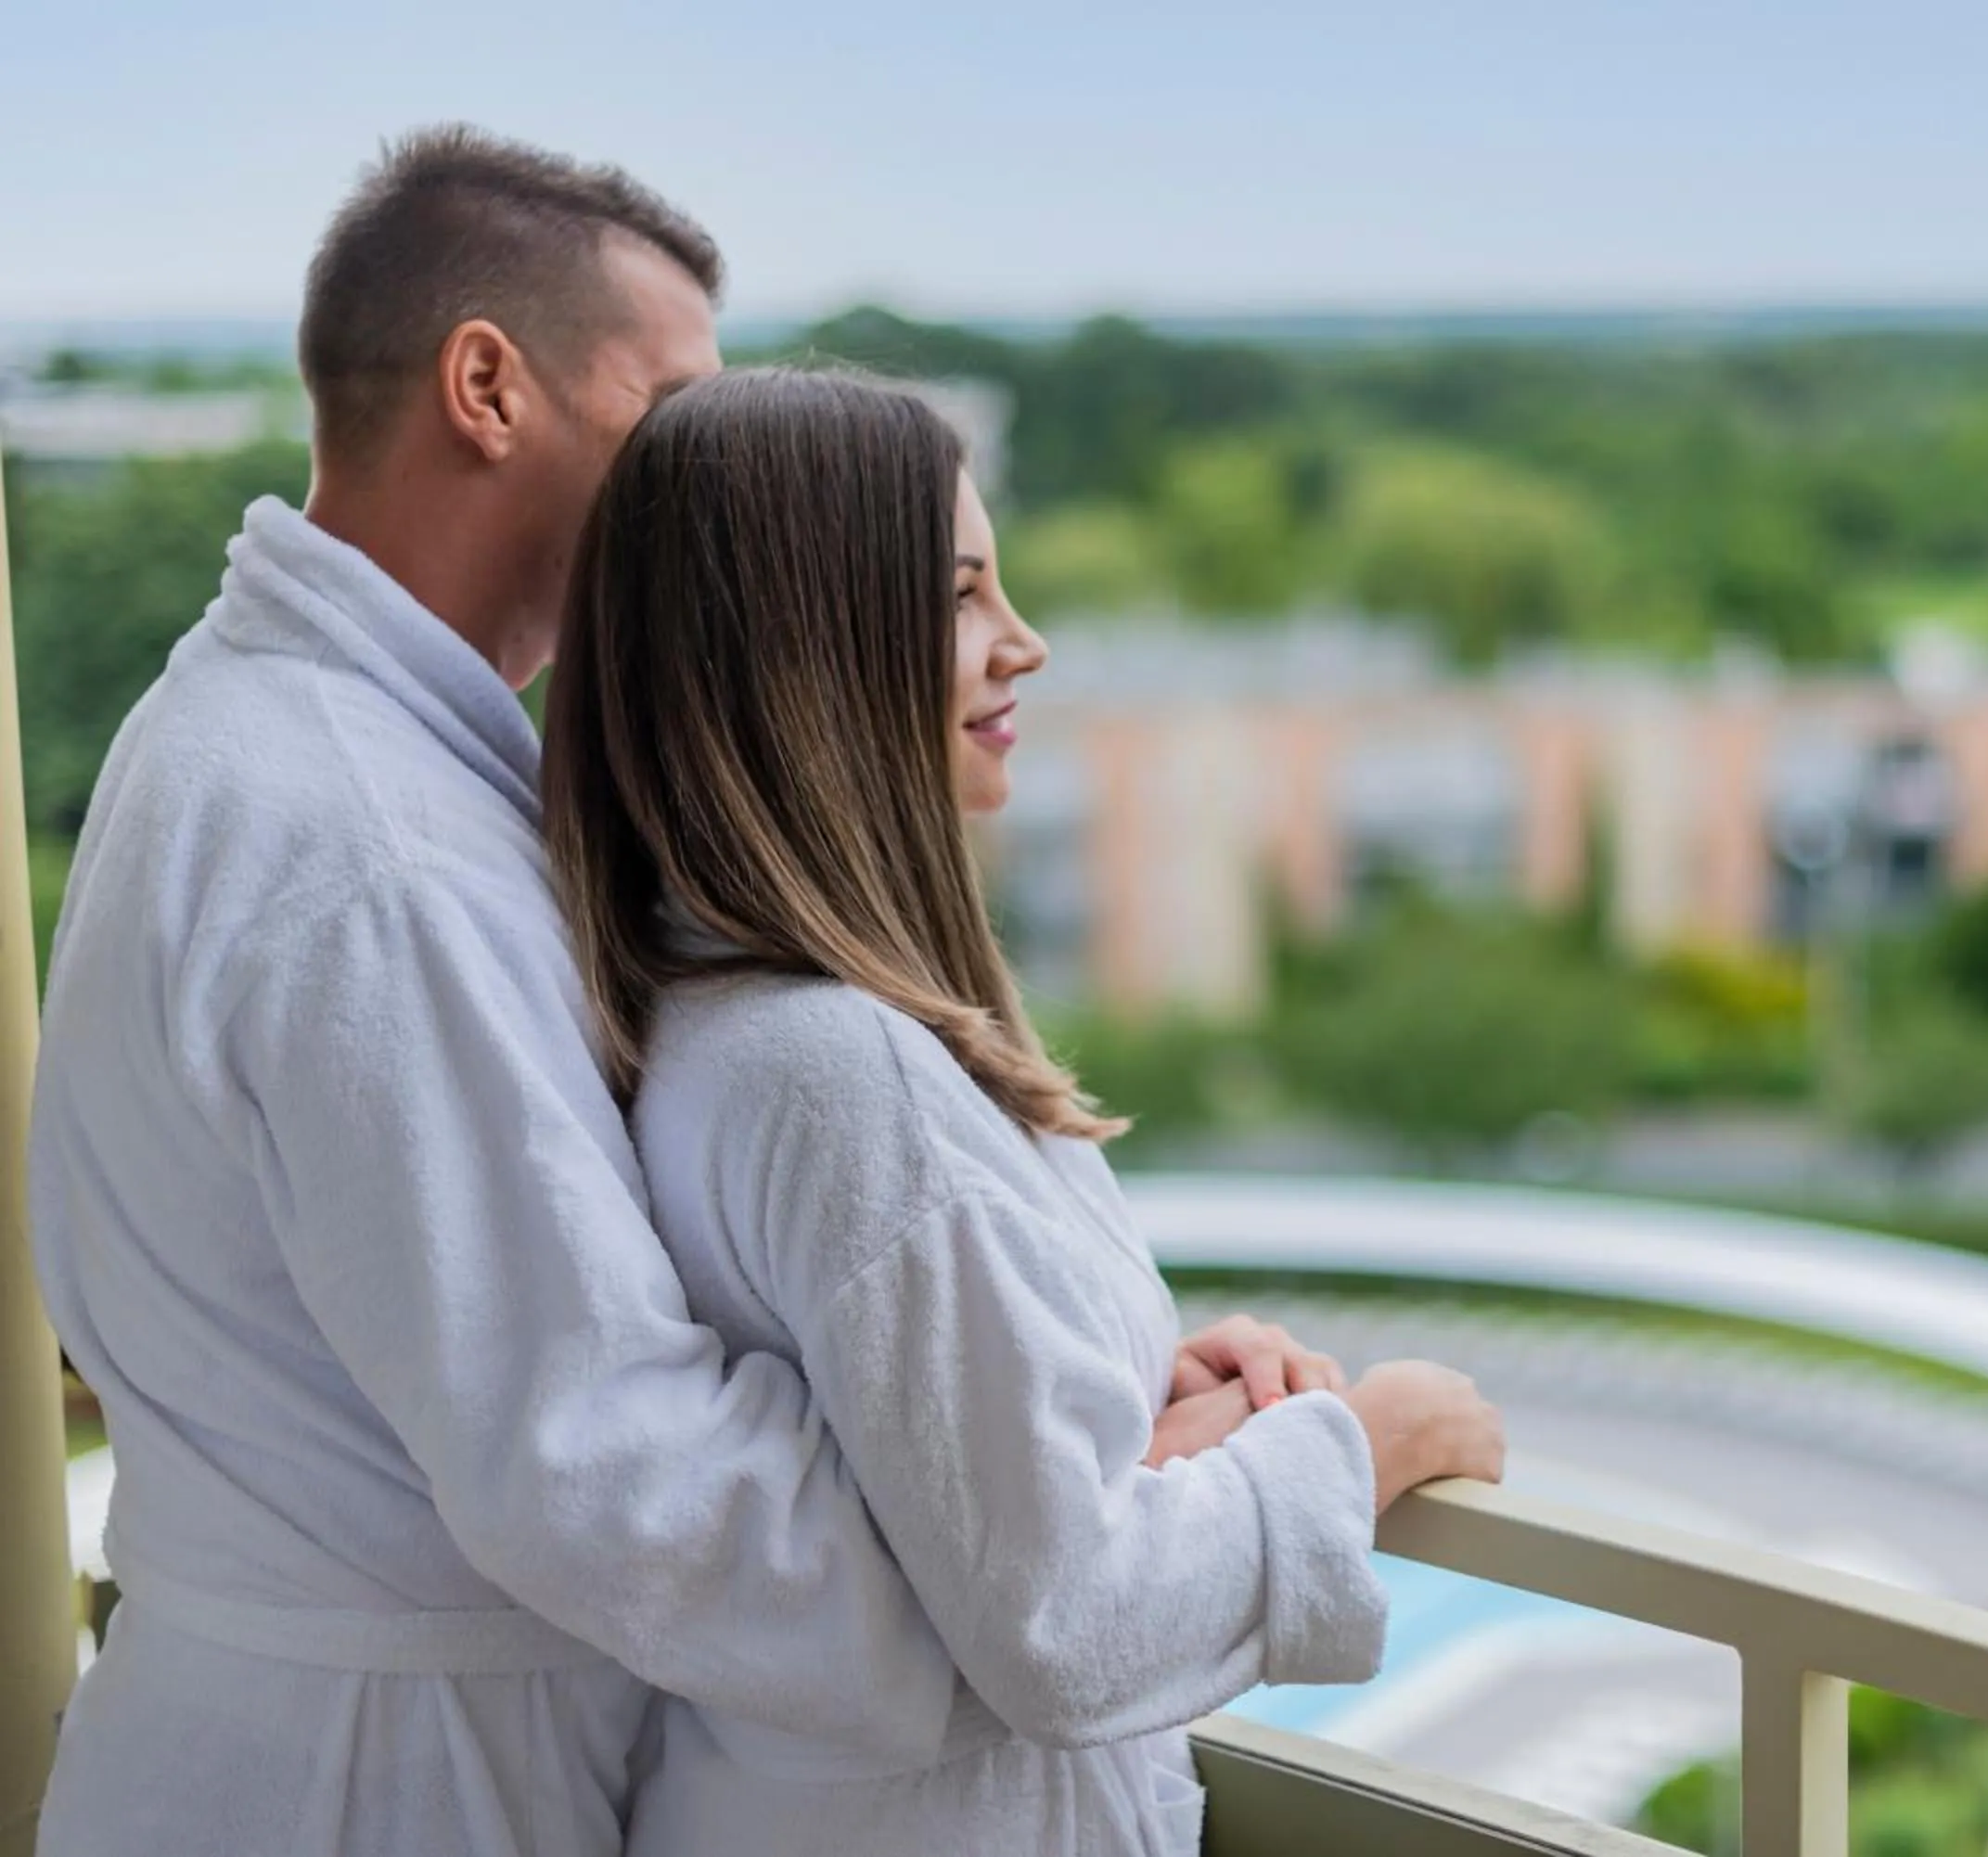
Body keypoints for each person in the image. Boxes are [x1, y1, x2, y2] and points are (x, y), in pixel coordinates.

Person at [26, 126, 1353, 1857]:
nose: (702, 493)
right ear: (487, 386)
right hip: (377, 1792)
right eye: (665, 423)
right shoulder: (377, 853)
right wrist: (1048, 1563)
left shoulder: (249, 733)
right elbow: (605, 1460)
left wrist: (1027, 1405)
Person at [538, 365, 1508, 1857]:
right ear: (818, 648)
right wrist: (1370, 1446)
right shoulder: (841, 1072)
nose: (1024, 644)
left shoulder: (709, 1012)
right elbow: (1063, 1621)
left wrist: (1109, 1388)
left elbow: (882, 1447)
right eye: (963, 597)